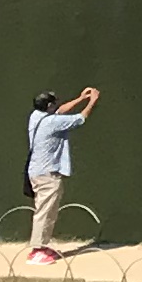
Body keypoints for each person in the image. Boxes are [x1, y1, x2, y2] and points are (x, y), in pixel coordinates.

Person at [24, 85, 101, 262]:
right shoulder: (52, 123)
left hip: (36, 172)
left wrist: (80, 98)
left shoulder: (36, 116)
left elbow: (59, 111)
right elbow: (80, 119)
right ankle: (37, 251)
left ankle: (41, 246)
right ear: (49, 106)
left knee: (45, 210)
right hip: (47, 175)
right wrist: (92, 101)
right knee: (45, 212)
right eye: (54, 103)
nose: (57, 105)